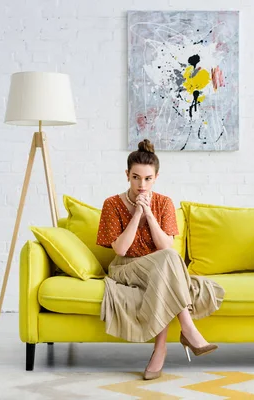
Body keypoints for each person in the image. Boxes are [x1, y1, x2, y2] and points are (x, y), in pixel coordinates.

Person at [96, 139, 225, 380]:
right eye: (135, 177)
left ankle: (160, 349)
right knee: (169, 261)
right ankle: (187, 329)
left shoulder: (163, 203)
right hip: (126, 268)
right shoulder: (112, 204)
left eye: (147, 179)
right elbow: (121, 249)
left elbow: (166, 246)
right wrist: (136, 215)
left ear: (155, 177)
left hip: (160, 267)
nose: (141, 185)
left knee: (166, 260)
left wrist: (149, 214)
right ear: (127, 175)